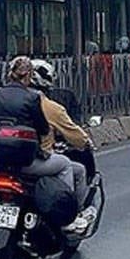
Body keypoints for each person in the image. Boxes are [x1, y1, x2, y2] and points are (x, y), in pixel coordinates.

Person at [0, 57, 89, 232]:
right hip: (27, 161)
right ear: (28, 76)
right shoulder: (33, 99)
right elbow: (42, 128)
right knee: (65, 165)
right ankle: (67, 216)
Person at [27, 60, 99, 234]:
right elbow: (74, 133)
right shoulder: (48, 106)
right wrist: (86, 142)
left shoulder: (5, 100)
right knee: (73, 168)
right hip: (33, 160)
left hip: (3, 160)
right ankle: (69, 215)